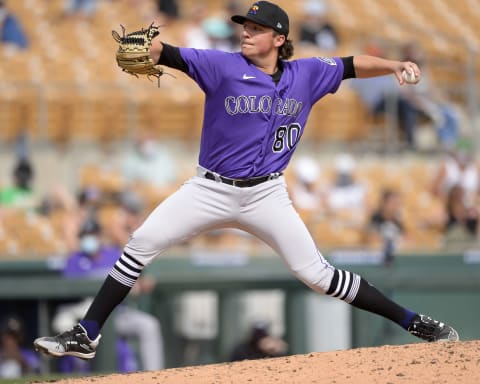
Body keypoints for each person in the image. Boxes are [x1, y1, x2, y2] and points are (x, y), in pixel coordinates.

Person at [34, 1, 459, 362]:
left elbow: (350, 65)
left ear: (278, 39)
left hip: (266, 193)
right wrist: (148, 45)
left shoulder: (307, 73)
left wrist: (394, 65)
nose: (246, 34)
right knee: (141, 243)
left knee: (319, 276)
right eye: (244, 27)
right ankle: (87, 333)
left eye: (256, 29)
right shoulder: (221, 65)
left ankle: (414, 321)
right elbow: (174, 55)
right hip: (209, 189)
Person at [51, 218, 164, 371]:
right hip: (85, 313)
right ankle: (76, 375)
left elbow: (133, 280)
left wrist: (140, 284)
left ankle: (155, 375)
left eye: (92, 234)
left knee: (149, 325)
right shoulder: (74, 260)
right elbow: (71, 289)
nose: (89, 238)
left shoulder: (114, 255)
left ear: (99, 236)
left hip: (117, 314)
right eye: (85, 235)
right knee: (64, 325)